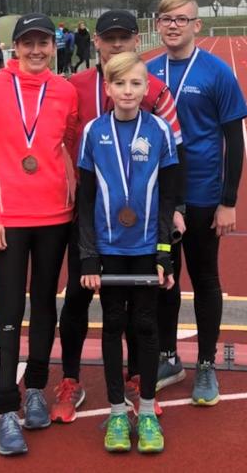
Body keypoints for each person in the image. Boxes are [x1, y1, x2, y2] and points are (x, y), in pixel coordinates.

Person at [51, 9, 184, 424]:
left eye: (124, 37)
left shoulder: (155, 90)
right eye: (109, 38)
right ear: (97, 42)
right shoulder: (74, 87)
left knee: (141, 308)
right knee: (78, 297)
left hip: (143, 223)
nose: (116, 45)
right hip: (93, 216)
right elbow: (60, 140)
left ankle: (137, 380)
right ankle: (70, 379)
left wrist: (175, 213)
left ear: (137, 41)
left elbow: (171, 161)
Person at [0, 13, 79, 456]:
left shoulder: (65, 91)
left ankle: (35, 388)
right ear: (15, 47)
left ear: (54, 46)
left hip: (55, 216)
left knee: (45, 305)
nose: (36, 50)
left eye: (43, 42)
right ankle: (6, 409)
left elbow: (72, 143)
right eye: (28, 43)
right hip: (9, 219)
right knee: (10, 311)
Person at [146, 0, 247, 405]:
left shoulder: (217, 72)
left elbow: (234, 140)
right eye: (166, 18)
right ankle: (168, 357)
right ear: (158, 24)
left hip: (204, 194)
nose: (174, 26)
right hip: (161, 198)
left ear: (197, 25)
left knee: (205, 278)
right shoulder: (147, 72)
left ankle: (206, 364)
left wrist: (229, 201)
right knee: (163, 277)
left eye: (182, 19)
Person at [78, 51, 178, 453]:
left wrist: (165, 251)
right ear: (108, 87)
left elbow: (168, 196)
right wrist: (88, 255)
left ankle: (148, 411)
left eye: (136, 83)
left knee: (146, 325)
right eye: (119, 83)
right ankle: (118, 411)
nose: (128, 91)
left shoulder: (159, 130)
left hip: (146, 247)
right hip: (109, 248)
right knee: (113, 324)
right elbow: (85, 199)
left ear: (146, 88)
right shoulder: (93, 132)